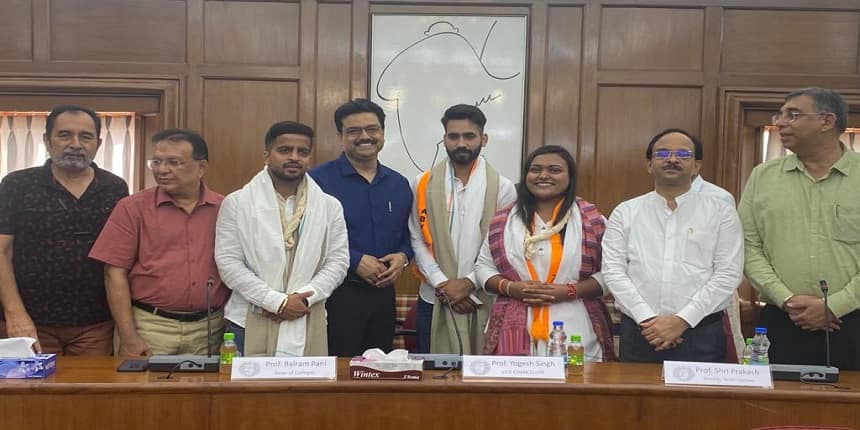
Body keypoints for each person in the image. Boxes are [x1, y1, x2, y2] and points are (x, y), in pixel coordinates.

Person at [739, 87, 860, 370]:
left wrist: (836, 304)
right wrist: (788, 300)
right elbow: (747, 245)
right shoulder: (763, 176)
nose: (781, 122)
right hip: (783, 320)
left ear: (827, 121)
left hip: (853, 319)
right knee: (778, 412)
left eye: (793, 115)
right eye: (780, 115)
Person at [603, 129, 743, 363]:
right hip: (640, 332)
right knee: (636, 400)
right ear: (649, 164)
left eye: (683, 154)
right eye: (663, 153)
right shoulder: (626, 212)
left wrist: (682, 320)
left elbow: (728, 273)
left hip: (701, 332)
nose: (672, 159)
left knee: (698, 400)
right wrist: (648, 320)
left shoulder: (721, 212)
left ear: (697, 166)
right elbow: (613, 271)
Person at [0, 105, 128, 355]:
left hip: (96, 323)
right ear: (47, 140)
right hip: (30, 321)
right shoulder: (17, 184)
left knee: (91, 393)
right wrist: (14, 313)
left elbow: (119, 258)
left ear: (98, 143)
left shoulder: (114, 188)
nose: (76, 143)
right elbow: (1, 252)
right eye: (65, 135)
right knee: (28, 393)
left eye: (86, 136)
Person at [89, 129, 228, 356]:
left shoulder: (226, 208)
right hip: (150, 326)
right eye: (156, 162)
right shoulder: (132, 207)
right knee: (142, 391)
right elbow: (113, 273)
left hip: (210, 328)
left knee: (206, 392)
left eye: (173, 162)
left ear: (201, 167)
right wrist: (128, 336)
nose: (162, 170)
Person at [215, 121, 348, 356]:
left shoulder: (329, 206)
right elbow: (228, 263)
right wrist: (275, 301)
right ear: (267, 155)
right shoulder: (237, 203)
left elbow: (337, 263)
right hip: (248, 318)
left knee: (304, 393)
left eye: (303, 152)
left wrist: (304, 299)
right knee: (247, 392)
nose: (294, 157)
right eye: (285, 150)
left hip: (307, 314)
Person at [475, 145, 616, 360]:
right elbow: (483, 266)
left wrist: (569, 291)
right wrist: (511, 287)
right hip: (514, 322)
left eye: (554, 170)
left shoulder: (592, 219)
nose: (543, 176)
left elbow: (611, 272)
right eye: (535, 169)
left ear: (570, 176)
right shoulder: (503, 220)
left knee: (576, 387)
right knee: (515, 389)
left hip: (575, 323)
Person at [309, 99, 414, 357]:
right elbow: (310, 237)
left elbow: (408, 235)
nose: (364, 136)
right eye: (354, 131)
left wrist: (403, 257)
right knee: (337, 371)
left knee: (378, 372)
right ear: (340, 137)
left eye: (372, 129)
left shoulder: (399, 184)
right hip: (336, 294)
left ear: (382, 134)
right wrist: (354, 260)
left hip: (383, 295)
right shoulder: (317, 181)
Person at [408, 104, 516, 354]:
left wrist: (468, 284)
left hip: (482, 296)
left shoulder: (503, 187)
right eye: (453, 136)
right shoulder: (422, 183)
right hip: (433, 296)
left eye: (469, 136)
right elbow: (416, 237)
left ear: (483, 139)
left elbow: (502, 247)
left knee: (483, 379)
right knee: (432, 379)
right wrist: (443, 285)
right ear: (444, 139)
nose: (461, 143)